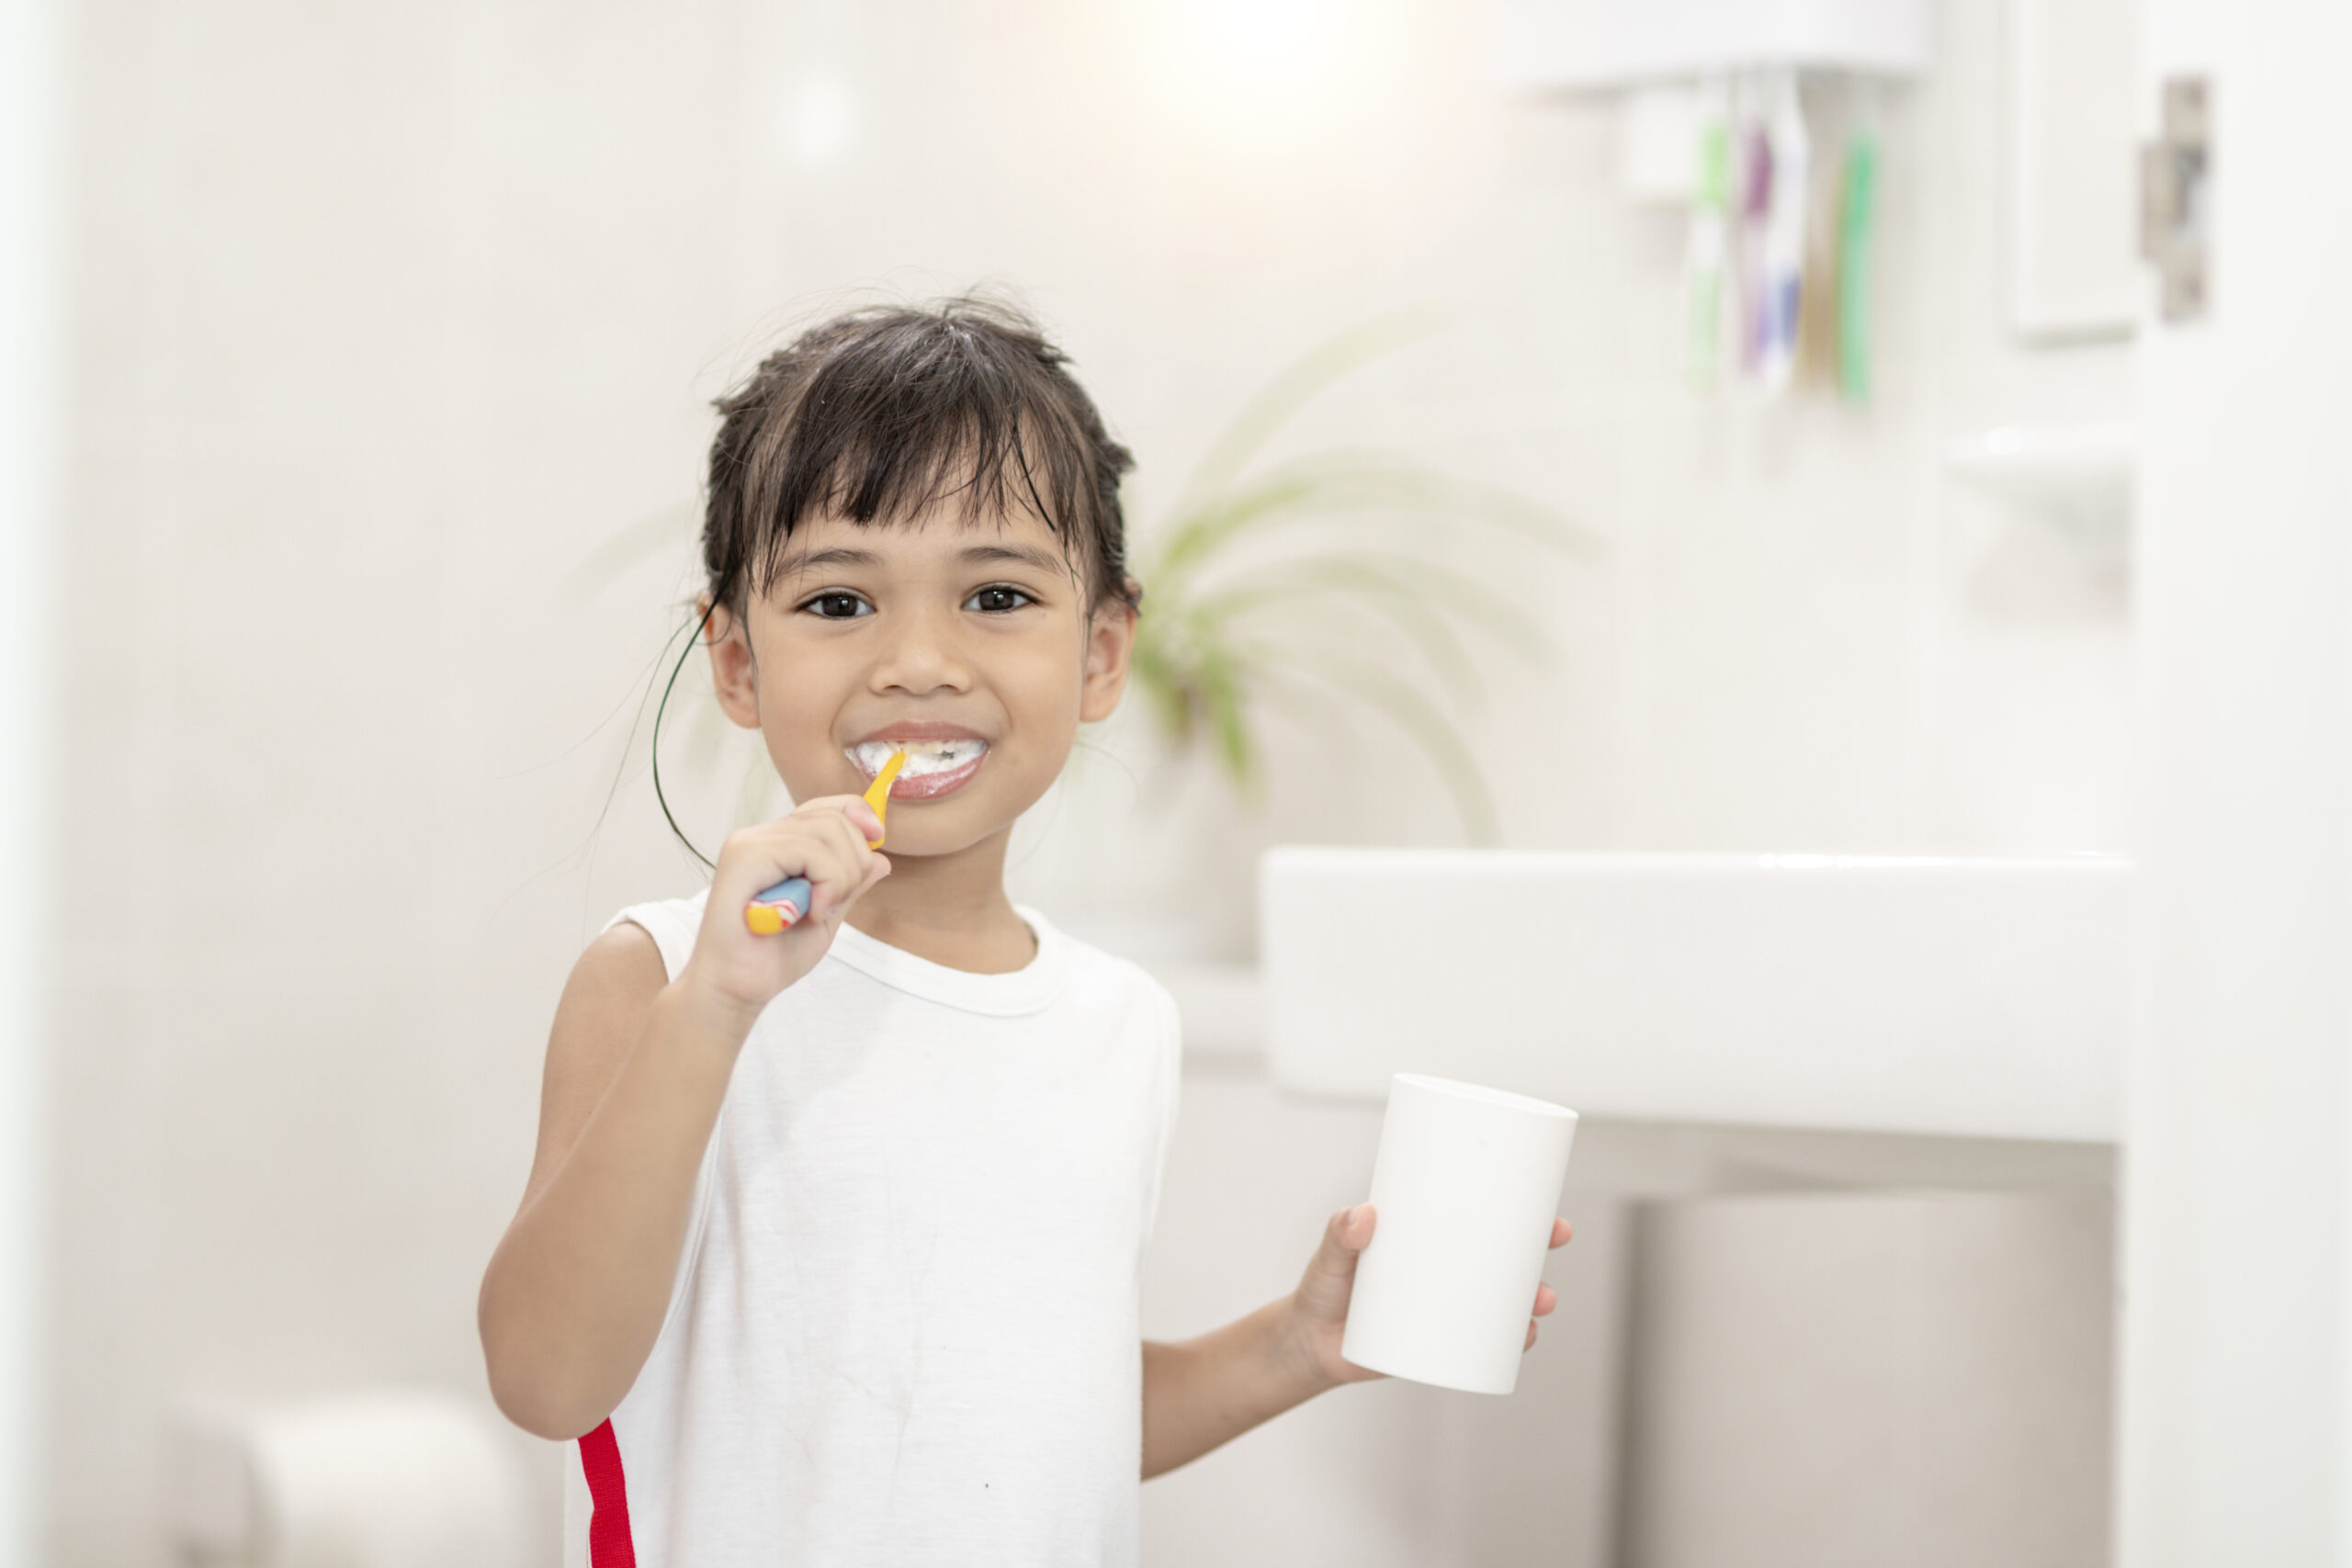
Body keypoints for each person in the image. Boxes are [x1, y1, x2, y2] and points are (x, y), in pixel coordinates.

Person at [476, 296, 1569, 1566]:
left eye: (996, 595)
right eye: (839, 603)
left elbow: (1034, 1425)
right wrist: (715, 1009)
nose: (920, 663)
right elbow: (548, 1381)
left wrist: (1292, 1348)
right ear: (734, 664)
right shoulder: (659, 976)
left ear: (1102, 652)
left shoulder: (1119, 1024)